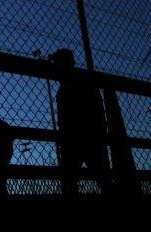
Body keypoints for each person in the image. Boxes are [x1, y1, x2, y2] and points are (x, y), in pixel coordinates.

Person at [51, 49, 112, 199]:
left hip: (81, 138)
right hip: (87, 139)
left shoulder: (74, 85)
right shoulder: (76, 84)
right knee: (99, 179)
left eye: (56, 62)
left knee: (73, 181)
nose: (54, 66)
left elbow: (87, 112)